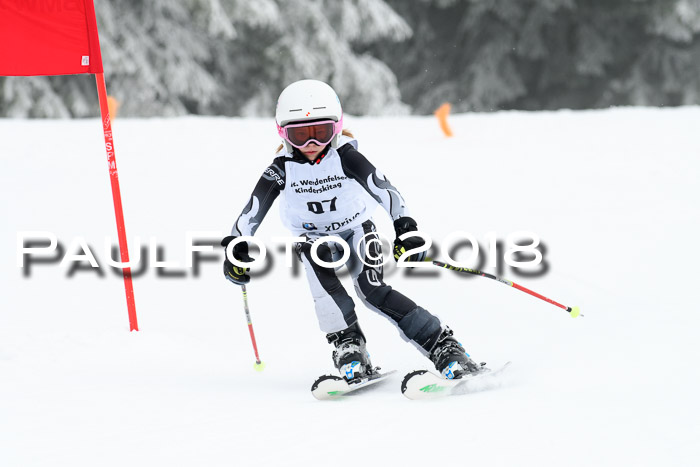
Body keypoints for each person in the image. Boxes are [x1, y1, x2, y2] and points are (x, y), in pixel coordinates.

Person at [222, 79, 483, 383]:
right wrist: (236, 246)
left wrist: (405, 226)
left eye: (320, 133)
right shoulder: (281, 168)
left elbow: (386, 191)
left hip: (357, 229)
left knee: (371, 291)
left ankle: (443, 345)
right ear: (282, 133)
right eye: (299, 135)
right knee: (325, 293)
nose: (311, 145)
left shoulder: (345, 156)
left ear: (336, 128)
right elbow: (252, 210)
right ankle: (349, 347)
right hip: (313, 239)